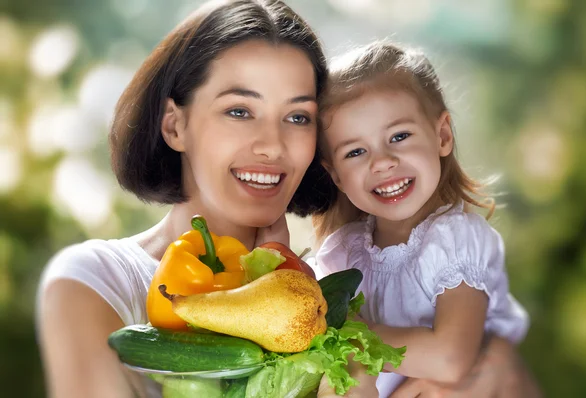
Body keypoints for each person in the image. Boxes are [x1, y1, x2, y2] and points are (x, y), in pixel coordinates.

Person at [36, 1, 541, 396]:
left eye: (297, 117)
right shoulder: (93, 282)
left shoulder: (320, 284)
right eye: (239, 110)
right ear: (175, 124)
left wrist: (497, 366)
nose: (273, 145)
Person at [313, 42, 535, 398]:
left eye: (399, 137)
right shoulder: (342, 253)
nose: (382, 162)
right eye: (355, 152)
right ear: (336, 175)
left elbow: (450, 358)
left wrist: (354, 333)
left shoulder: (453, 241)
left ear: (442, 135)